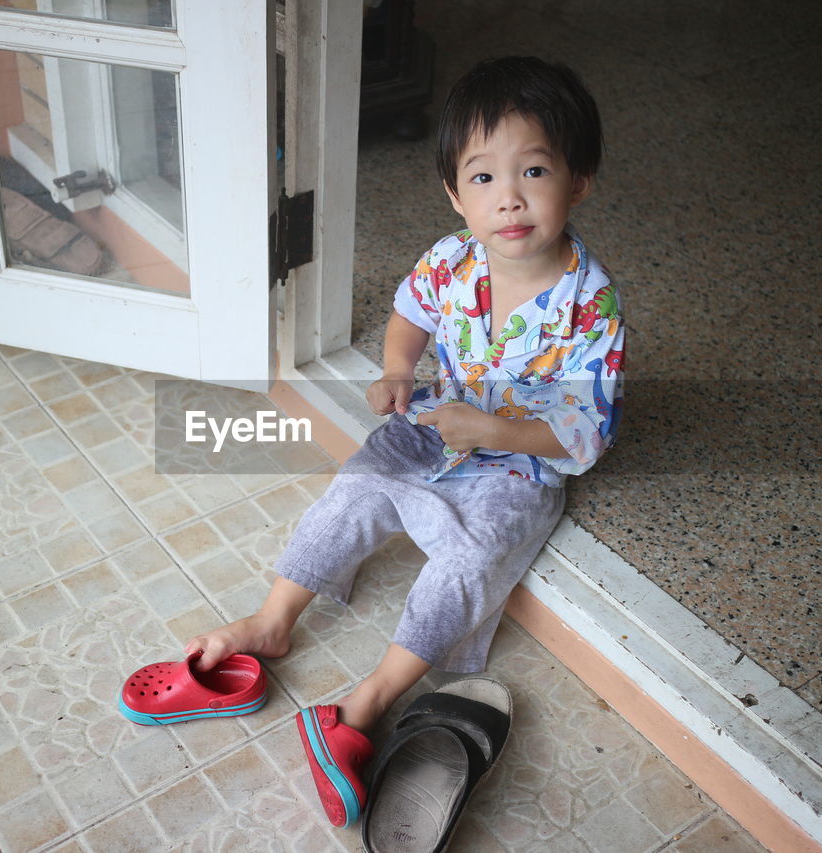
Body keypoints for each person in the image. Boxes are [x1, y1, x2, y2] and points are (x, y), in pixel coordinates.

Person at [186, 55, 624, 826]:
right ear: (456, 194)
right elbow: (410, 311)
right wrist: (397, 370)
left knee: (469, 560)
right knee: (357, 482)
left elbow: (587, 427)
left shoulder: (592, 303)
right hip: (435, 425)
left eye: (534, 169)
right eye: (483, 178)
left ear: (579, 180)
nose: (510, 197)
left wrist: (494, 430)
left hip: (520, 463)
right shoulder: (451, 259)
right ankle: (274, 618)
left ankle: (365, 703)